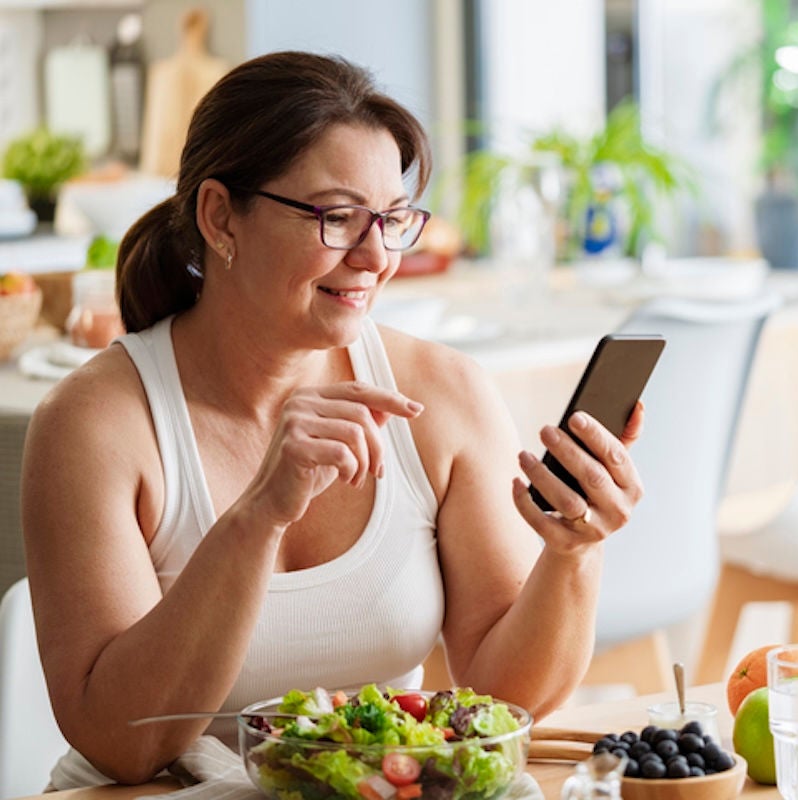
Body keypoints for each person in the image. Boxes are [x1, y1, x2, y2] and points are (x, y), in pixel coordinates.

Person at [21, 50, 646, 786]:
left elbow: (504, 703)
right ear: (221, 218)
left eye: (392, 218)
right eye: (338, 217)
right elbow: (121, 745)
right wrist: (259, 516)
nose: (376, 255)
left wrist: (572, 556)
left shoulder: (444, 396)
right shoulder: (94, 424)